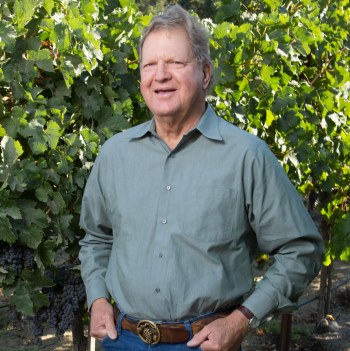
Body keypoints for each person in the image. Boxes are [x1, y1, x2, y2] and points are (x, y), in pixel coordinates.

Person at [79, 4, 324, 351]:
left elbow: (301, 249)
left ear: (205, 73)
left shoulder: (246, 156)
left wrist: (243, 319)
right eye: (150, 64)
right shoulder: (115, 154)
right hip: (123, 340)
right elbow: (96, 239)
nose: (160, 75)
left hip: (205, 344)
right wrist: (98, 298)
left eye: (175, 63)